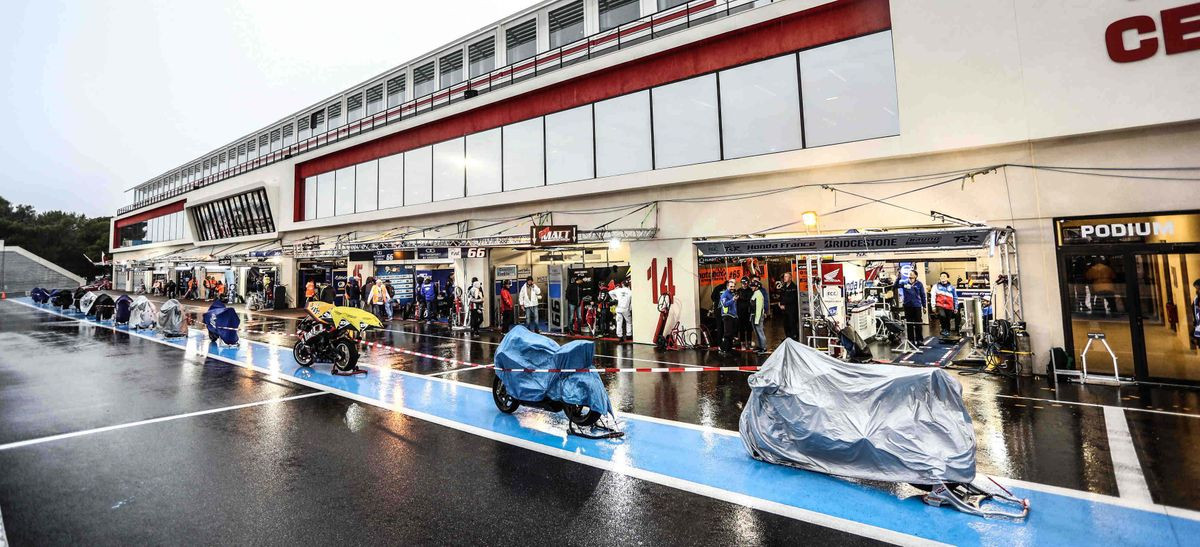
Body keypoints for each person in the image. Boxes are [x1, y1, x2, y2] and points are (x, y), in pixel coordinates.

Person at [898, 270, 926, 343]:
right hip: (907, 306)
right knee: (909, 323)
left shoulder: (919, 284)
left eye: (912, 273)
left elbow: (923, 295)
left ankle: (919, 339)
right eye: (909, 273)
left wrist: (924, 306)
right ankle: (911, 340)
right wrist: (898, 278)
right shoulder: (904, 282)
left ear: (916, 276)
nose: (910, 274)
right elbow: (896, 286)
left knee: (918, 323)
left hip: (917, 306)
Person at [930, 272, 959, 336]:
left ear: (947, 278)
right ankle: (943, 329)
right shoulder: (935, 286)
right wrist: (933, 306)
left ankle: (947, 331)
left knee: (948, 319)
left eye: (944, 276)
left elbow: (955, 297)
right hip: (940, 305)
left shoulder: (952, 287)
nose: (943, 277)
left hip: (949, 306)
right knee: (942, 316)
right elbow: (933, 296)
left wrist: (956, 307)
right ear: (939, 278)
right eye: (941, 276)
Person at [777, 272, 799, 341]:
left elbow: (792, 298)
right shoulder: (783, 287)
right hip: (784, 310)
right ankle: (788, 337)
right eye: (784, 276)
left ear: (790, 278)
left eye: (786, 276)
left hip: (791, 309)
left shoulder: (793, 287)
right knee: (785, 324)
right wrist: (780, 303)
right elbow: (781, 297)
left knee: (792, 323)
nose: (784, 278)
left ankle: (794, 337)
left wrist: (784, 303)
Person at [719, 279, 738, 355]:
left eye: (733, 286)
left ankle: (729, 349)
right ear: (727, 286)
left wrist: (736, 315)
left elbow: (734, 306)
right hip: (727, 316)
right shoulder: (724, 294)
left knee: (731, 334)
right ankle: (723, 349)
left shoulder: (733, 293)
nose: (732, 288)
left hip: (733, 315)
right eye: (731, 286)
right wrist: (733, 300)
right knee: (728, 333)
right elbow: (725, 304)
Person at [750, 278, 767, 353]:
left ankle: (763, 347)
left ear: (757, 287)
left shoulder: (759, 294)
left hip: (758, 316)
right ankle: (760, 346)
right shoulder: (755, 293)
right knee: (757, 332)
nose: (752, 287)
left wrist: (757, 319)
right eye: (752, 286)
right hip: (754, 315)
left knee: (760, 332)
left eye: (753, 286)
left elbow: (759, 308)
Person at [736, 277, 753, 349]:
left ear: (748, 283)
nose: (744, 285)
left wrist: (741, 298)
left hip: (748, 312)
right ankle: (742, 343)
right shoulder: (738, 290)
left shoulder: (750, 290)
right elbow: (736, 300)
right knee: (741, 328)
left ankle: (749, 342)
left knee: (749, 328)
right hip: (740, 312)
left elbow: (750, 299)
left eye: (745, 283)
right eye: (743, 283)